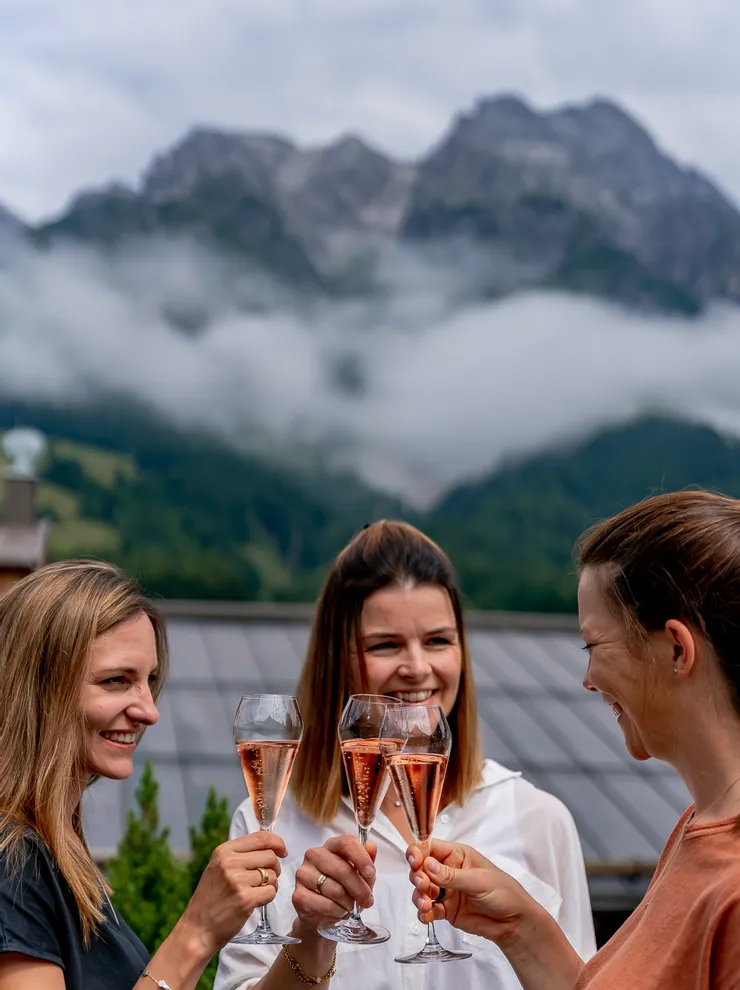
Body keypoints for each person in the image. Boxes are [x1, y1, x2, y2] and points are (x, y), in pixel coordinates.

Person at [215, 520, 596, 990]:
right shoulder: (268, 828)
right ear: (336, 661)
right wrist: (310, 936)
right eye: (385, 645)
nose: (417, 668)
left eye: (438, 640)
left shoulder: (539, 819)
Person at [409, 490, 740, 989]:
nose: (587, 679)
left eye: (594, 645)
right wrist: (521, 927)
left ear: (676, 648)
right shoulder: (697, 827)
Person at [0, 560, 286, 990]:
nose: (149, 711)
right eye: (116, 681)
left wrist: (316, 934)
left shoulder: (53, 851)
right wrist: (196, 933)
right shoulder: (12, 862)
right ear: (40, 689)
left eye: (149, 680)